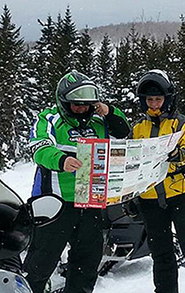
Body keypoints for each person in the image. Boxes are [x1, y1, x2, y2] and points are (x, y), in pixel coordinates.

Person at [23, 70, 130, 293]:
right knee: (40, 264)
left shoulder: (99, 121)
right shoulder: (50, 118)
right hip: (54, 204)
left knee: (86, 265)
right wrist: (61, 160)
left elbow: (123, 131)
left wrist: (109, 111)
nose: (82, 109)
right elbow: (38, 148)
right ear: (64, 102)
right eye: (76, 105)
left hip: (91, 201)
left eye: (87, 105)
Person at [129, 69, 185, 293]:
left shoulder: (181, 123)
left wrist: (180, 157)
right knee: (161, 255)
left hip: (182, 195)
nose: (154, 104)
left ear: (167, 99)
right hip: (150, 200)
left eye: (158, 99)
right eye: (149, 99)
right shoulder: (138, 128)